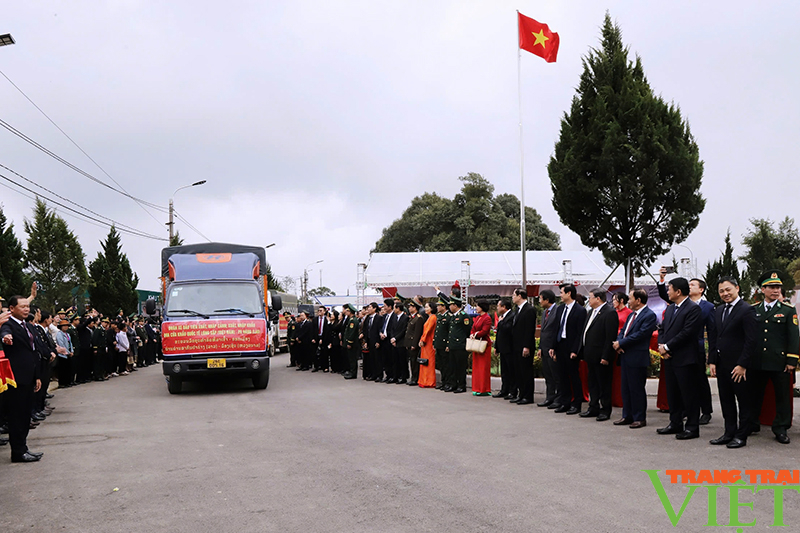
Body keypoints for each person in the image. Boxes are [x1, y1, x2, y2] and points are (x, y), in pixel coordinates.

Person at [657, 269, 716, 424]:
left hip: (695, 348)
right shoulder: (673, 306)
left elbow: (709, 331)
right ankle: (679, 416)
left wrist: (711, 354)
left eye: (693, 285)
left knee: (699, 382)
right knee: (678, 387)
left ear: (701, 289)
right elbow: (664, 328)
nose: (690, 287)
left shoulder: (706, 307)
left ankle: (706, 410)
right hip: (674, 350)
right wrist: (664, 346)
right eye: (688, 285)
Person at [748, 270, 799, 445]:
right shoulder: (754, 310)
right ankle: (752, 424)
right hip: (757, 361)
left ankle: (781, 428)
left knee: (783, 397)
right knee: (754, 395)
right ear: (763, 289)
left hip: (779, 362)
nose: (776, 290)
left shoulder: (787, 310)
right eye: (771, 287)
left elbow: (793, 337)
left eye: (778, 287)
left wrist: (792, 360)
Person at [708, 276, 756, 448]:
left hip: (739, 366)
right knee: (726, 400)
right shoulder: (719, 310)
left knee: (743, 402)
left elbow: (751, 340)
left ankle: (741, 435)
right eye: (721, 291)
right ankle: (729, 433)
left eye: (728, 289)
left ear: (737, 288)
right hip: (722, 364)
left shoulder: (746, 310)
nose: (725, 293)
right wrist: (712, 360)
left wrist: (743, 364)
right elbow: (715, 337)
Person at [656, 277, 704, 440]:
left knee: (688, 394)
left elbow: (687, 333)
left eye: (669, 289)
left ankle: (692, 427)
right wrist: (662, 346)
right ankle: (675, 422)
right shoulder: (670, 309)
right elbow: (662, 329)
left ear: (678, 291)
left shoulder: (693, 309)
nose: (667, 292)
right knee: (673, 393)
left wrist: (668, 347)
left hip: (685, 359)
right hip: (669, 358)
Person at [0, 296, 44, 462]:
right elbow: (5, 333)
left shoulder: (27, 326)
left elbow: (33, 351)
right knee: (17, 416)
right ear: (11, 308)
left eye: (28, 306)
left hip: (29, 376)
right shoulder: (8, 325)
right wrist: (6, 338)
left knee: (25, 415)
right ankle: (17, 452)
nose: (27, 309)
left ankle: (23, 448)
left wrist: (37, 376)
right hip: (16, 378)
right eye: (23, 306)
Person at [612, 289, 657, 428]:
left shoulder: (649, 315)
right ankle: (627, 415)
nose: (628, 301)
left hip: (637, 356)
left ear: (638, 300)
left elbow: (641, 334)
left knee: (636, 388)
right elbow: (623, 332)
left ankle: (639, 417)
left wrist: (622, 343)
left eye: (630, 298)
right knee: (625, 388)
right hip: (625, 355)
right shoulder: (632, 315)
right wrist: (618, 343)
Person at [580, 288, 619, 421]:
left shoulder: (609, 313)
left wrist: (606, 356)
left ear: (598, 298)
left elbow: (610, 336)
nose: (588, 300)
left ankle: (605, 410)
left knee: (604, 384)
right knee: (593, 383)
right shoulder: (591, 312)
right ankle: (593, 407)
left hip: (601, 356)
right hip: (590, 354)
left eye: (590, 297)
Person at [551, 283, 587, 414]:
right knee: (562, 376)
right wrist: (553, 347)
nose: (560, 295)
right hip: (560, 345)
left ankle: (576, 404)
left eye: (561, 292)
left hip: (571, 346)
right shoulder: (560, 309)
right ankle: (564, 402)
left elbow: (580, 333)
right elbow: (556, 328)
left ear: (568, 293)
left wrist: (575, 350)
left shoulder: (580, 310)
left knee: (574, 376)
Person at [510, 288, 537, 405]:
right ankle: (521, 394)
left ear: (520, 296)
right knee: (518, 371)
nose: (512, 297)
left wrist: (526, 346)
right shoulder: (517, 310)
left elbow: (529, 330)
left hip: (524, 346)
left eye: (514, 295)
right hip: (516, 346)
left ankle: (528, 395)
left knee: (526, 372)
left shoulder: (529, 310)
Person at [536, 290, 559, 407]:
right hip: (544, 348)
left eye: (540, 299)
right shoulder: (545, 312)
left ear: (547, 300)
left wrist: (554, 347)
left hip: (553, 348)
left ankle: (557, 398)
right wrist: (540, 347)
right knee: (548, 375)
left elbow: (556, 331)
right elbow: (544, 331)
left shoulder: (558, 311)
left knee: (556, 375)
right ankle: (549, 397)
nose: (539, 301)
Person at [446, 297, 472, 393]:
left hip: (460, 346)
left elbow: (467, 331)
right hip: (453, 345)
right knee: (452, 366)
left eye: (451, 305)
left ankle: (461, 385)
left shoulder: (463, 316)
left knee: (460, 367)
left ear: (455, 305)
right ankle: (453, 384)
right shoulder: (453, 316)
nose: (449, 307)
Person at [493, 298, 516, 399]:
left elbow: (508, 329)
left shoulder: (512, 316)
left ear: (504, 307)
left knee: (511, 371)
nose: (497, 308)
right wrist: (496, 347)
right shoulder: (502, 317)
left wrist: (500, 323)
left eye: (498, 306)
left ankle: (512, 391)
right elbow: (499, 333)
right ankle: (504, 389)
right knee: (504, 371)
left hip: (510, 348)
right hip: (502, 348)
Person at [469, 300, 492, 396]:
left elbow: (485, 331)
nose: (476, 308)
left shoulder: (487, 318)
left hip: (484, 344)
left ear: (482, 307)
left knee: (483, 368)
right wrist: (472, 334)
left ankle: (484, 388)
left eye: (477, 306)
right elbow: (473, 328)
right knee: (476, 367)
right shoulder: (478, 317)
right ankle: (476, 387)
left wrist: (475, 334)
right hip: (476, 343)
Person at [404, 301, 425, 386]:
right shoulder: (412, 317)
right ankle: (413, 377)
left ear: (415, 308)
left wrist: (414, 344)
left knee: (414, 362)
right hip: (409, 342)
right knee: (412, 362)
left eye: (411, 307)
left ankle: (415, 378)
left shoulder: (419, 318)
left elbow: (417, 333)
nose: (409, 308)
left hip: (413, 343)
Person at [418, 302, 438, 388]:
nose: (425, 309)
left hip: (429, 342)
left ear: (432, 308)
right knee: (424, 362)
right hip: (426, 342)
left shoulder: (433, 318)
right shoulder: (429, 318)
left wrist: (423, 340)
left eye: (427, 307)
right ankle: (424, 380)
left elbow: (428, 331)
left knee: (429, 362)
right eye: (425, 307)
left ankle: (429, 381)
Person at [432, 300, 450, 390]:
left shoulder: (448, 317)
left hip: (444, 344)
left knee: (446, 365)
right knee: (441, 364)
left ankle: (447, 382)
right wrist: (434, 342)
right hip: (439, 344)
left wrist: (448, 344)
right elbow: (437, 331)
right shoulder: (439, 316)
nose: (438, 307)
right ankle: (443, 382)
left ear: (444, 307)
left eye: (439, 305)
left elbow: (449, 332)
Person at [390, 302, 409, 384]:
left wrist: (395, 338)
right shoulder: (394, 317)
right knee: (395, 360)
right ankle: (395, 376)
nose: (394, 310)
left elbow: (403, 330)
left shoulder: (405, 318)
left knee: (402, 360)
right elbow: (391, 329)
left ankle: (403, 377)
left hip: (401, 342)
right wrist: (392, 338)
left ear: (398, 308)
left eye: (394, 308)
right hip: (394, 342)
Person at [380, 299, 398, 383]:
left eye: (385, 306)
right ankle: (387, 375)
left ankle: (393, 376)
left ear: (390, 307)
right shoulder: (384, 316)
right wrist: (381, 333)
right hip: (384, 340)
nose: (384, 308)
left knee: (392, 359)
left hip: (390, 340)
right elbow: (382, 327)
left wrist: (390, 336)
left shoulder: (394, 316)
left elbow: (394, 329)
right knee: (385, 359)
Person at [342, 304, 360, 379]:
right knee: (350, 358)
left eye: (347, 311)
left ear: (350, 312)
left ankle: (353, 373)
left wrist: (349, 342)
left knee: (352, 358)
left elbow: (352, 333)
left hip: (352, 343)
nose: (346, 312)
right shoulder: (351, 319)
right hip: (350, 342)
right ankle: (351, 372)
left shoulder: (353, 320)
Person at [368, 304, 385, 382]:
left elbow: (380, 330)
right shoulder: (368, 318)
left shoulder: (379, 318)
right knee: (371, 358)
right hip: (370, 341)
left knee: (378, 359)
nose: (368, 309)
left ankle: (379, 375)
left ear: (374, 308)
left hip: (376, 341)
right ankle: (373, 374)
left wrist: (378, 341)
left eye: (370, 307)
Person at [55, 319, 74, 388]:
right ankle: (62, 383)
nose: (66, 327)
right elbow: (61, 344)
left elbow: (70, 343)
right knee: (63, 369)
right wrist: (67, 352)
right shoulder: (59, 334)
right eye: (64, 326)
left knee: (68, 369)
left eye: (67, 326)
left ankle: (68, 382)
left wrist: (71, 351)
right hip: (62, 354)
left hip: (68, 353)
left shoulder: (68, 334)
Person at [311, 306, 329, 373]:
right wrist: (313, 338)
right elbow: (312, 330)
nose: (319, 312)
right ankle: (316, 366)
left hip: (324, 337)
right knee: (315, 352)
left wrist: (323, 338)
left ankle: (325, 367)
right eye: (319, 310)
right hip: (316, 337)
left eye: (321, 310)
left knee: (324, 353)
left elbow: (327, 330)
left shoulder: (327, 320)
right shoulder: (315, 319)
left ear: (324, 312)